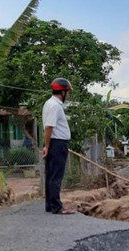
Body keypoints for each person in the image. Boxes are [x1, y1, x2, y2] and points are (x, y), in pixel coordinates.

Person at [42, 77, 75, 214]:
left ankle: (50, 205)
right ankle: (56, 206)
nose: (67, 95)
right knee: (56, 175)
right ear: (62, 92)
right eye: (67, 92)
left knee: (50, 174)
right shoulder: (55, 106)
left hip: (54, 143)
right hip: (57, 143)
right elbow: (49, 127)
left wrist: (47, 145)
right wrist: (47, 146)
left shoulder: (49, 103)